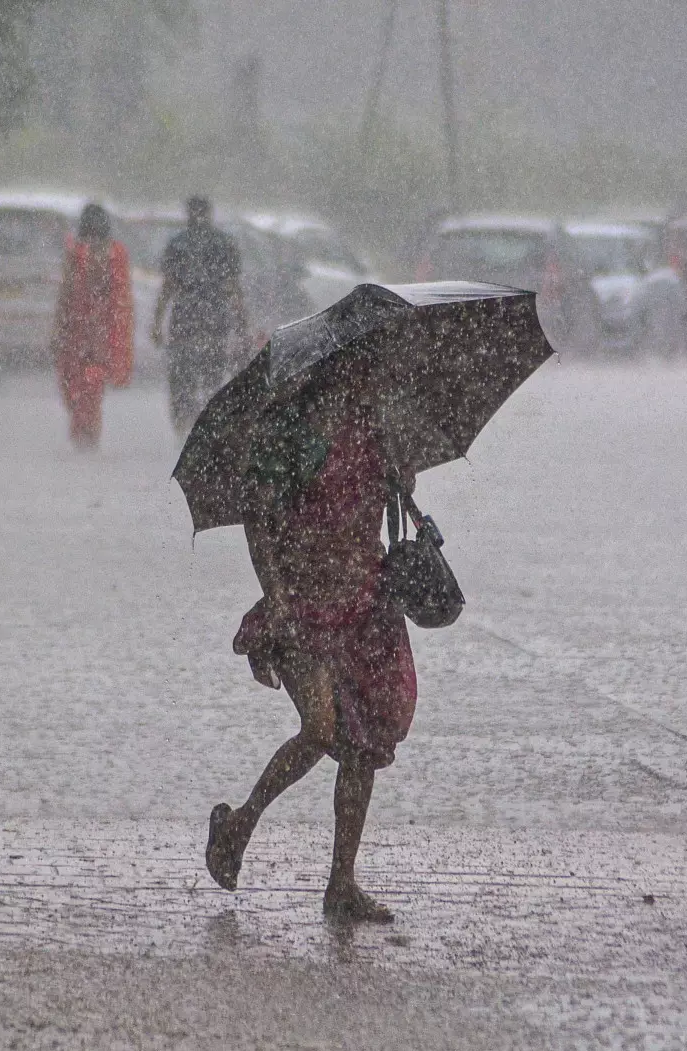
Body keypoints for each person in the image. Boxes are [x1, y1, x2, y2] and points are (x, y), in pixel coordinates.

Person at [205, 371, 417, 923]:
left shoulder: (379, 431)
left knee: (362, 747)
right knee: (321, 729)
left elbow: (387, 503)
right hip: (301, 606)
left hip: (365, 604)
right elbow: (259, 519)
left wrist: (402, 480)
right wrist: (276, 597)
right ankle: (241, 823)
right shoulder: (290, 435)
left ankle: (341, 884)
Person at [151, 196, 249, 432]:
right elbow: (233, 287)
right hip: (215, 316)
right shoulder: (224, 244)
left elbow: (168, 286)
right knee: (212, 372)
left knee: (182, 372)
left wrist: (157, 322)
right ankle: (207, 421)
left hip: (185, 316)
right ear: (209, 214)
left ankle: (182, 420)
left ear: (188, 214)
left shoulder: (177, 244)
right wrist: (242, 323)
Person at [52, 203, 134, 449]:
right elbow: (121, 298)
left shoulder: (80, 253)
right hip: (99, 330)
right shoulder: (112, 253)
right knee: (89, 383)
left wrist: (60, 327)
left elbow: (67, 293)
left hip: (81, 329)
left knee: (79, 382)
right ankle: (86, 428)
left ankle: (84, 430)